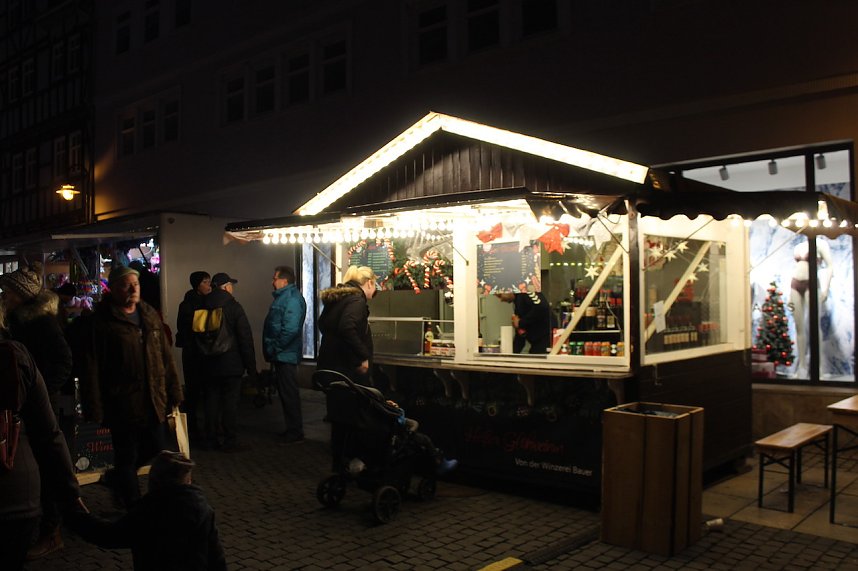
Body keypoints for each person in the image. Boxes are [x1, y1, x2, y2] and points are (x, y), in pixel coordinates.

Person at [77, 265, 184, 509]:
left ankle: (117, 478)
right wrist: (93, 405)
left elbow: (165, 356)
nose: (133, 289)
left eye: (136, 284)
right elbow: (90, 366)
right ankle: (132, 506)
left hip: (153, 399)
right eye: (126, 285)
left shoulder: (149, 315)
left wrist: (174, 390)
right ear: (114, 289)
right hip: (121, 401)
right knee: (126, 455)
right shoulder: (101, 322)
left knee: (156, 447)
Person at [0, 302, 85, 571]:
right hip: (17, 494)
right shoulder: (15, 354)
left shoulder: (26, 344)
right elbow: (50, 436)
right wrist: (70, 493)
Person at [66, 450, 227, 571]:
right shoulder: (202, 509)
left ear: (155, 481)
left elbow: (107, 534)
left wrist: (76, 515)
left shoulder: (149, 512)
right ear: (188, 480)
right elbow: (216, 557)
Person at [201, 272, 257, 452]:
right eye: (231, 285)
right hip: (231, 364)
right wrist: (251, 367)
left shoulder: (203, 305)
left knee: (211, 402)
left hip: (208, 363)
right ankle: (230, 440)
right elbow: (245, 338)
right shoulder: (233, 307)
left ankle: (210, 439)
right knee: (230, 403)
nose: (232, 288)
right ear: (225, 287)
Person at [262, 265, 307, 444]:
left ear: (284, 281)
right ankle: (292, 429)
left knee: (289, 394)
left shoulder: (292, 299)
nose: (272, 282)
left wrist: (275, 348)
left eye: (275, 278)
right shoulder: (286, 298)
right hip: (282, 354)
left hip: (285, 354)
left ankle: (295, 432)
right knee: (286, 393)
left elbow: (290, 329)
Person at [317, 265, 377, 385]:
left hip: (330, 365)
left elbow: (322, 324)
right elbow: (347, 327)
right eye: (375, 284)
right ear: (369, 283)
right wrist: (363, 356)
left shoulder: (338, 299)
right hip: (347, 369)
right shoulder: (357, 301)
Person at [789, 238, 834, 377]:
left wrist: (826, 289)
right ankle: (801, 367)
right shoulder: (798, 246)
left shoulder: (821, 244)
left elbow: (830, 266)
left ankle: (818, 367)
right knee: (799, 327)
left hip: (812, 284)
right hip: (795, 284)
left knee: (814, 326)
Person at [175, 271, 212, 439]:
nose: (208, 285)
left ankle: (203, 426)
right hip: (193, 353)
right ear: (197, 285)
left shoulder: (205, 301)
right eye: (205, 282)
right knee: (194, 391)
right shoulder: (188, 305)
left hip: (202, 352)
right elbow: (188, 328)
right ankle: (193, 428)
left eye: (209, 282)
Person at [495, 288, 552, 354]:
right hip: (537, 342)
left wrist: (520, 322)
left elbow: (541, 307)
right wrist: (511, 354)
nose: (501, 300)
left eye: (500, 295)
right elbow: (520, 336)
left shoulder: (526, 290)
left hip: (546, 339)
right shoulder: (517, 302)